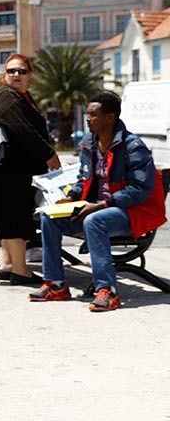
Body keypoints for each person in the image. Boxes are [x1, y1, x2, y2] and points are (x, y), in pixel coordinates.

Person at [30, 91, 166, 311]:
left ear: (110, 117)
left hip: (132, 211)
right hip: (96, 208)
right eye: (88, 114)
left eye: (93, 114)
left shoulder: (133, 147)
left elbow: (139, 190)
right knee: (50, 217)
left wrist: (102, 205)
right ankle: (55, 284)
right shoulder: (89, 143)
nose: (88, 118)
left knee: (94, 221)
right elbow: (83, 180)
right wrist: (72, 197)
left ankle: (107, 290)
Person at [0, 54, 61, 285]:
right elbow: (22, 130)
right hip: (12, 171)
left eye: (21, 71)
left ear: (30, 74)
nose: (16, 75)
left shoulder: (20, 96)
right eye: (11, 71)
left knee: (9, 218)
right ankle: (20, 270)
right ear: (4, 74)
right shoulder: (7, 96)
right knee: (15, 219)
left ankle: (9, 265)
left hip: (13, 171)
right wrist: (48, 154)